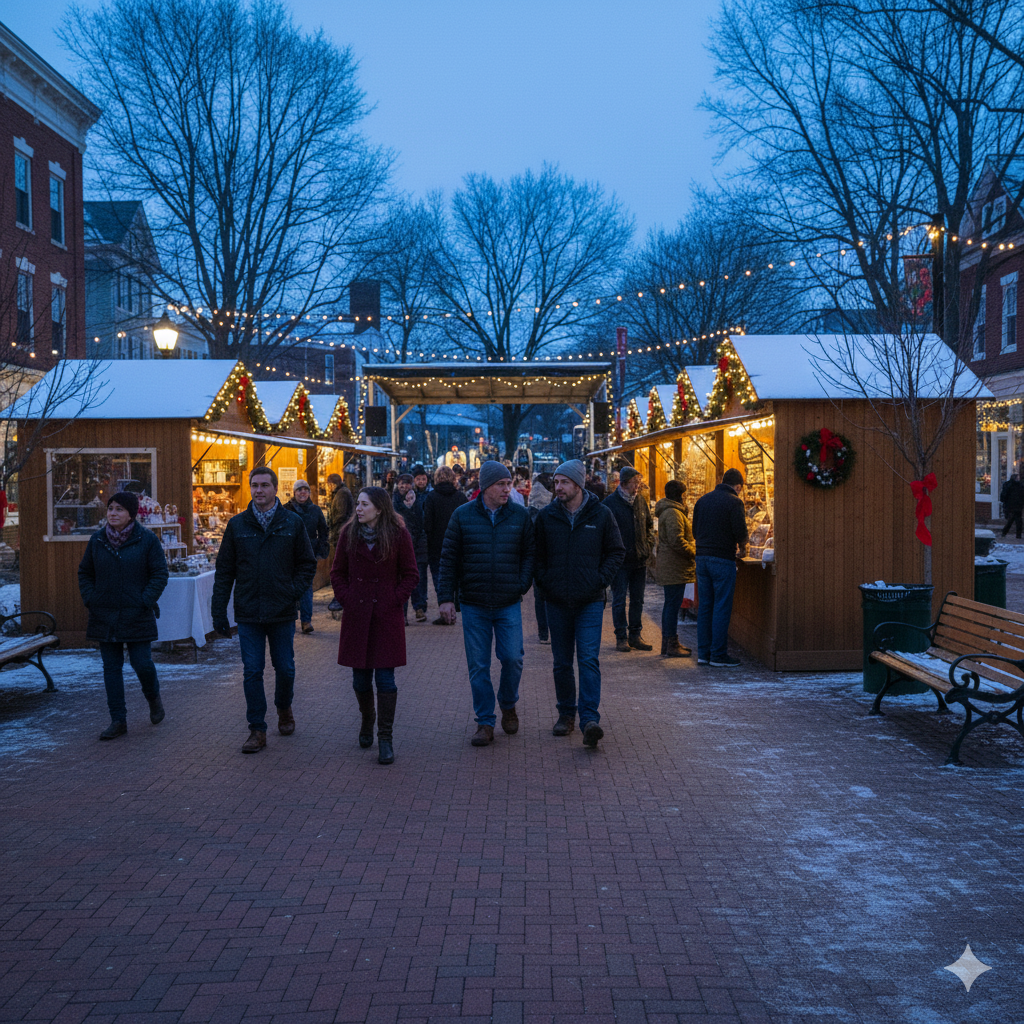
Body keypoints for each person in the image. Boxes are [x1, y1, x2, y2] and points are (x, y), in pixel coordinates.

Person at [212, 466, 317, 752]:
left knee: (285, 668)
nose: (258, 490)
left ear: (274, 489)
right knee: (252, 671)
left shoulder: (292, 523)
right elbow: (224, 572)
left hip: (281, 611)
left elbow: (307, 564)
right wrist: (218, 612)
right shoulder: (237, 525)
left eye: (264, 485)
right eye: (254, 485)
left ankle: (284, 707)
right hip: (249, 611)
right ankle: (257, 728)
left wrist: (292, 592)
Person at [437, 461, 535, 746]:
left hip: (507, 601)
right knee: (478, 665)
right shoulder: (462, 516)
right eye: (502, 484)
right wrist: (446, 599)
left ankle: (507, 702)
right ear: (487, 487)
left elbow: (529, 554)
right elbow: (449, 560)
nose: (508, 489)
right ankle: (484, 721)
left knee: (513, 658)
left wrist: (521, 583)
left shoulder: (519, 516)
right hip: (474, 603)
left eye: (509, 483)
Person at [534, 459, 625, 748]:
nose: (557, 487)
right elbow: (536, 556)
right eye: (556, 482)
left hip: (590, 601)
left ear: (577, 484)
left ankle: (589, 720)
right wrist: (547, 582)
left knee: (587, 659)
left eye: (563, 482)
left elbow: (616, 551)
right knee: (561, 662)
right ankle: (566, 714)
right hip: (557, 601)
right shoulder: (547, 517)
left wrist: (600, 580)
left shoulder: (601, 514)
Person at [331, 487, 419, 764]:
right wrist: (347, 598)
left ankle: (385, 737)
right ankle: (367, 721)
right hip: (357, 614)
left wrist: (395, 599)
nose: (358, 508)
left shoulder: (398, 535)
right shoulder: (349, 534)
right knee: (359, 679)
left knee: (385, 680)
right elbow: (337, 572)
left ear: (379, 508)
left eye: (364, 504)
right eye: (357, 503)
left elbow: (411, 574)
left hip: (385, 615)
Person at [77, 491, 169, 740]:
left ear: (131, 514)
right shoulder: (98, 540)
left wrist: (145, 599)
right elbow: (85, 572)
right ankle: (118, 720)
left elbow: (160, 573)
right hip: (104, 614)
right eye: (110, 509)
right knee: (111, 668)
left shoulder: (147, 540)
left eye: (119, 509)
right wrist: (91, 598)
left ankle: (153, 698)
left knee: (142, 664)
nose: (113, 513)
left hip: (137, 613)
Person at [691, 467, 748, 668]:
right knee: (721, 607)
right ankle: (718, 655)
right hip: (723, 559)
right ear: (738, 486)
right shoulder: (735, 502)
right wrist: (742, 546)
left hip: (702, 558)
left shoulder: (703, 500)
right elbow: (740, 530)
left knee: (705, 607)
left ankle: (703, 654)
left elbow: (694, 530)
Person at [603, 466, 655, 652]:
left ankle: (635, 635)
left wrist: (648, 545)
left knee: (638, 600)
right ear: (624, 484)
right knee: (619, 600)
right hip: (620, 561)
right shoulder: (610, 503)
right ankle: (621, 637)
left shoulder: (640, 501)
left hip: (639, 559)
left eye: (638, 483)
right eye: (635, 484)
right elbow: (605, 532)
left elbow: (649, 526)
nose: (637, 487)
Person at [654, 480, 695, 658]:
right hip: (674, 565)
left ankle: (670, 643)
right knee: (671, 605)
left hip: (672, 565)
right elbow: (676, 540)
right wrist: (693, 551)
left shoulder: (671, 511)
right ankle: (670, 644)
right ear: (680, 495)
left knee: (671, 604)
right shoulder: (673, 513)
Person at [284, 479, 329, 633]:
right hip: (288, 554)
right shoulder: (285, 509)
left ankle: (306, 621)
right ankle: (287, 620)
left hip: (308, 554)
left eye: (305, 490)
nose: (302, 492)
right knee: (287, 586)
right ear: (294, 492)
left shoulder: (315, 510)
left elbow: (323, 530)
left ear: (309, 493)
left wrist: (322, 548)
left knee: (306, 587)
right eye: (299, 490)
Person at [423, 466, 467, 621]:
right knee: (456, 576)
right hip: (458, 544)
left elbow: (427, 524)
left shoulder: (431, 497)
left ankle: (446, 610)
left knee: (439, 578)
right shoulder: (461, 498)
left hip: (437, 546)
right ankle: (455, 606)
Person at [394, 473, 428, 621]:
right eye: (401, 483)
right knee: (400, 579)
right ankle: (403, 614)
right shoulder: (393, 500)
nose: (404, 486)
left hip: (416, 543)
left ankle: (419, 608)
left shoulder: (417, 499)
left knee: (415, 577)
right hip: (398, 543)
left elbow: (421, 521)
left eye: (407, 483)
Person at [528, 473, 554, 643]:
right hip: (553, 557)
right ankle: (554, 629)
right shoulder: (553, 507)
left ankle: (543, 632)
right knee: (552, 596)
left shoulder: (529, 506)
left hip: (535, 559)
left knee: (539, 597)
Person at [326, 473, 354, 548]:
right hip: (340, 529)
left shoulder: (342, 493)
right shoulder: (340, 492)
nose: (329, 487)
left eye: (329, 484)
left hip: (340, 529)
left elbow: (341, 513)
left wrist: (332, 524)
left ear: (333, 484)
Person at [1001, 472, 1024, 538]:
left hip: (1011, 505)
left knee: (1013, 519)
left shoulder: (1008, 484)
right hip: (1016, 505)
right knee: (1017, 520)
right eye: (1018, 477)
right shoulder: (1020, 485)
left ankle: (1005, 532)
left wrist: (1004, 501)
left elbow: (1004, 494)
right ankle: (1017, 534)